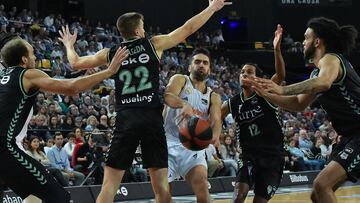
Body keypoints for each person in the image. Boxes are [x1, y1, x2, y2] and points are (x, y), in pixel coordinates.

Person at [59, 1, 230, 202]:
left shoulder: (111, 52)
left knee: (109, 186)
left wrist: (69, 45)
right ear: (139, 30)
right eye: (143, 25)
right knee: (162, 191)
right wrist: (211, 8)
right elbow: (188, 28)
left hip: (126, 119)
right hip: (151, 119)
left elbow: (75, 63)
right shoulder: (152, 44)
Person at [0, 33, 128, 202]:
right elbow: (72, 88)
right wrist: (109, 71)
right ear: (24, 60)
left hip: (6, 148)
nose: (35, 56)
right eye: (32, 53)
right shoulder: (27, 74)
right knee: (60, 198)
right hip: (5, 148)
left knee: (33, 198)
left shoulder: (3, 77)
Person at [249, 17, 359, 203]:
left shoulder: (331, 59)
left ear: (317, 42)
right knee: (317, 194)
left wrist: (282, 89)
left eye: (306, 38)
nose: (302, 42)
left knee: (321, 185)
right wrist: (265, 93)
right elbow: (298, 103)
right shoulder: (316, 73)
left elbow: (324, 83)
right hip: (349, 137)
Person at [220, 24, 286, 203]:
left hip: (273, 156)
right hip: (248, 155)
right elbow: (214, 117)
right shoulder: (233, 102)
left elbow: (279, 75)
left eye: (249, 72)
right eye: (242, 72)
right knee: (238, 196)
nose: (244, 75)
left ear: (257, 77)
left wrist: (276, 49)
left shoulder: (266, 94)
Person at [163, 48, 222, 202]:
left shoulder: (213, 96)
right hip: (167, 143)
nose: (201, 65)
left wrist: (214, 137)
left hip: (192, 147)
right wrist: (183, 104)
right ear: (190, 67)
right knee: (163, 196)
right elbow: (168, 96)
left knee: (202, 187)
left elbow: (216, 119)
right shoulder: (180, 79)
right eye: (197, 62)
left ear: (209, 69)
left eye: (205, 63)